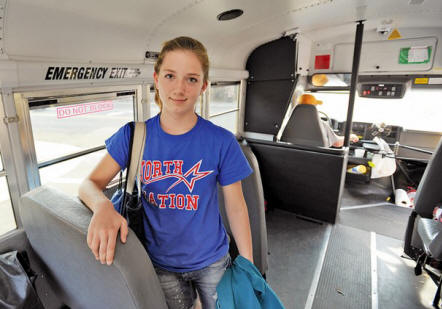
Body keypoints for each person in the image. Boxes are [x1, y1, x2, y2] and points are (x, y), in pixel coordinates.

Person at [78, 36, 254, 309]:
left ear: (204, 86)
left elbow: (236, 207)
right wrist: (102, 207)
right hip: (161, 264)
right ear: (156, 78)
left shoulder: (221, 141)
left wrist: (247, 264)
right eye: (170, 76)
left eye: (192, 79)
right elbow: (89, 184)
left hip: (213, 260)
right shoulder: (133, 135)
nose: (179, 88)